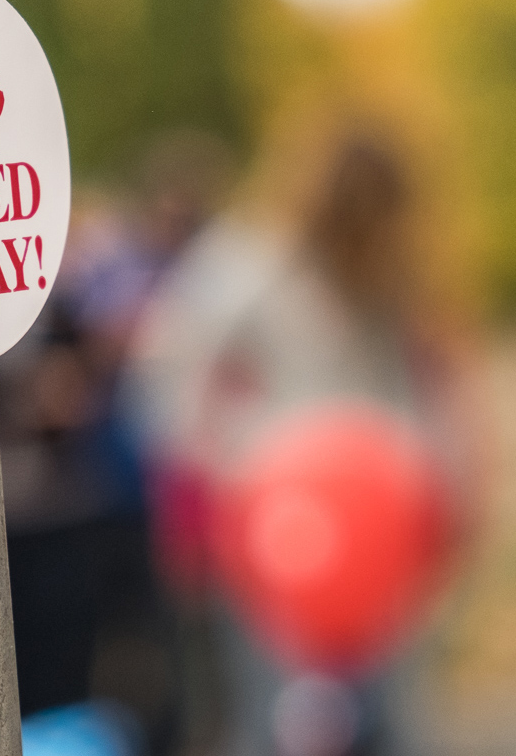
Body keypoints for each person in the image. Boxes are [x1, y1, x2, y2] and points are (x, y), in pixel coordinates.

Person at [128, 122, 471, 756]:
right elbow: (168, 368)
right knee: (276, 719)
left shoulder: (395, 280)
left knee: (390, 718)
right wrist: (235, 464)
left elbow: (430, 395)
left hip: (380, 536)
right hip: (284, 534)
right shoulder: (252, 261)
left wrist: (440, 487)